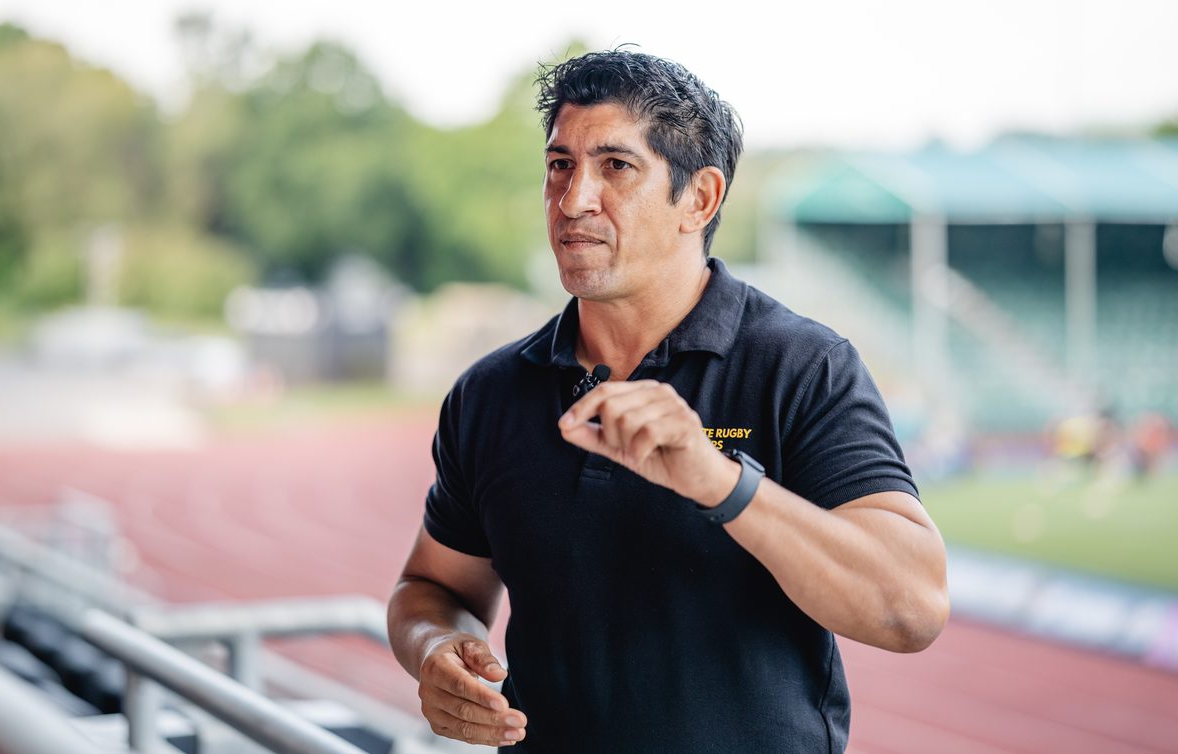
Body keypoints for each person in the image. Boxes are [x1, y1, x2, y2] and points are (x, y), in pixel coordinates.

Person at [387, 50, 949, 753]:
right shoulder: (490, 393)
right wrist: (436, 646)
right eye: (560, 164)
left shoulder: (803, 367)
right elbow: (432, 587)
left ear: (701, 199)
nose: (572, 199)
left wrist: (719, 480)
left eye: (615, 167)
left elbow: (913, 609)